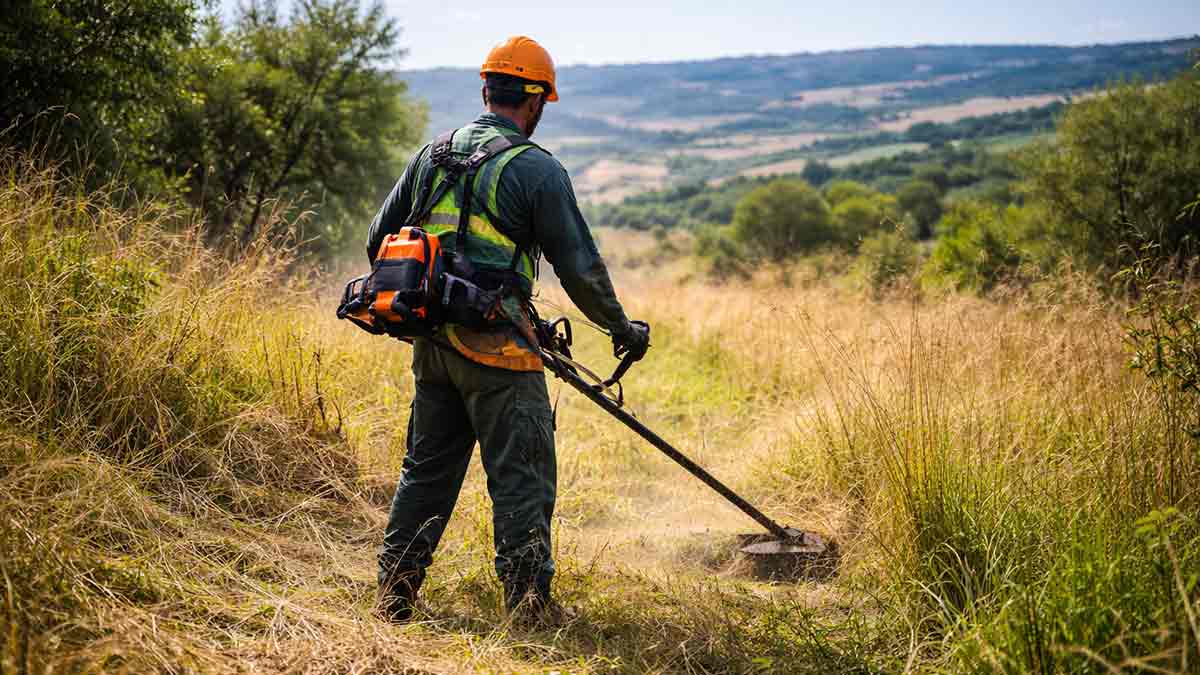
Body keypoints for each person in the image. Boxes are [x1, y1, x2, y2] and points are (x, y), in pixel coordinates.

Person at [365, 35, 650, 625]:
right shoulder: (536, 169)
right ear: (536, 100)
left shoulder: (432, 154)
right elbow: (580, 267)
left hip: (432, 345)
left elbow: (378, 241)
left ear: (486, 91)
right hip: (498, 351)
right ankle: (528, 606)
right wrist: (620, 327)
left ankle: (394, 595)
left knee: (426, 472)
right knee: (523, 475)